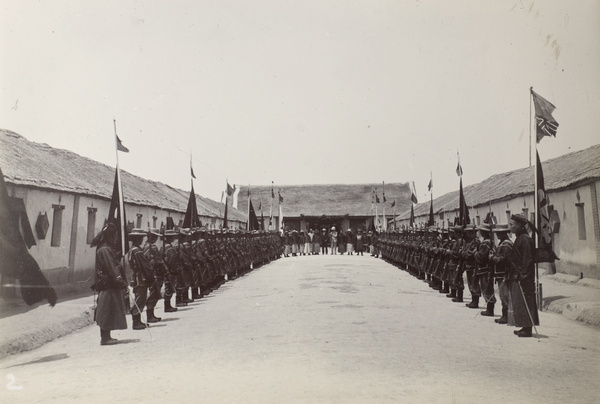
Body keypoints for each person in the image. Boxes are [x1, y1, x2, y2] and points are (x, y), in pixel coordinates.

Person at [90, 222, 128, 346]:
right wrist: (120, 281)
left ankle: (107, 336)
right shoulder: (105, 250)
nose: (116, 238)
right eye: (115, 235)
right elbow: (112, 267)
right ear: (111, 236)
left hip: (109, 284)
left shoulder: (105, 248)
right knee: (106, 311)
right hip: (108, 285)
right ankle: (105, 338)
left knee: (110, 309)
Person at [507, 214, 539, 338]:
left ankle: (527, 329)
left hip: (524, 277)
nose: (510, 227)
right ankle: (524, 326)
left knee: (526, 301)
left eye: (512, 225)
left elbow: (528, 260)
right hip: (519, 275)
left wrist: (523, 275)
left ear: (519, 226)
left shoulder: (525, 239)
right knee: (520, 302)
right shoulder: (519, 238)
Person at [127, 228, 155, 330]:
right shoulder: (137, 251)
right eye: (141, 238)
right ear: (137, 239)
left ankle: (138, 321)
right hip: (140, 278)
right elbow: (145, 266)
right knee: (140, 299)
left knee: (140, 299)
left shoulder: (133, 250)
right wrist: (151, 266)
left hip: (137, 277)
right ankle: (136, 322)